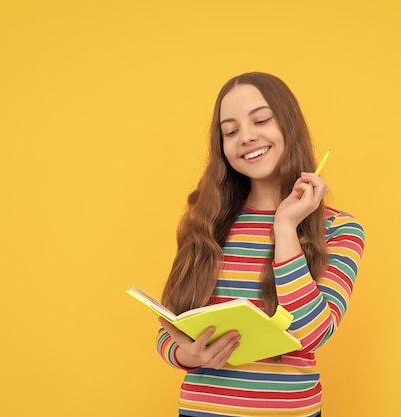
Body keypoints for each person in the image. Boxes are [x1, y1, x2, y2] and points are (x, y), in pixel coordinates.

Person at [156, 72, 365, 417]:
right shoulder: (206, 222)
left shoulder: (339, 228)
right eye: (231, 131)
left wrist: (285, 227)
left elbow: (313, 333)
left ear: (288, 124)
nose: (247, 137)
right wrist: (186, 355)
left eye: (261, 119)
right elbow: (170, 329)